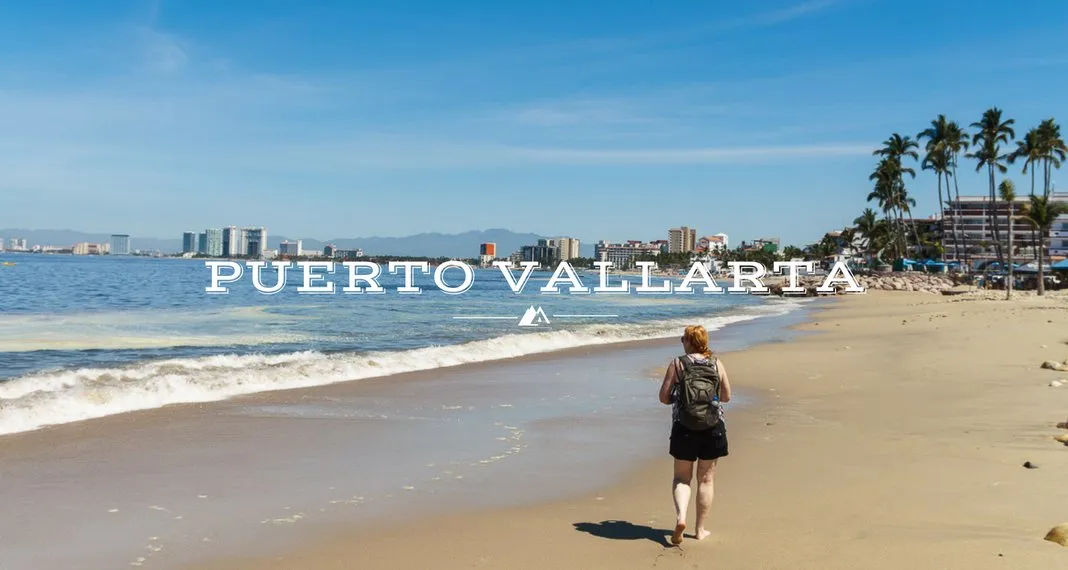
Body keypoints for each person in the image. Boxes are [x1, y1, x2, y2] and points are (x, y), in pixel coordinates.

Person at [658, 324, 731, 545]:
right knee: (706, 480)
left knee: (682, 478)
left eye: (683, 338)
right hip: (712, 426)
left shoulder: (678, 363)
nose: (682, 342)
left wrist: (679, 399)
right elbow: (726, 396)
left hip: (684, 426)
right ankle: (699, 530)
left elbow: (663, 397)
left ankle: (681, 517)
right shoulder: (716, 363)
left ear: (690, 342)